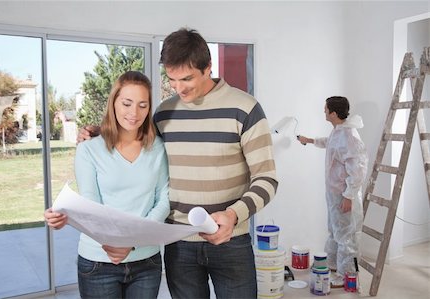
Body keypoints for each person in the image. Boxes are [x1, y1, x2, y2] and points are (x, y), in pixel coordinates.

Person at [78, 28, 278, 299]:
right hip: (179, 244)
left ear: (208, 68)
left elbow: (266, 179)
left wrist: (233, 215)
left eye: (187, 78)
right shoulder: (164, 112)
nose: (179, 88)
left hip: (231, 239)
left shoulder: (246, 108)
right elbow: (134, 134)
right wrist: (97, 133)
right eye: (172, 80)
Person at [45, 71, 170, 299]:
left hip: (147, 261)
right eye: (127, 103)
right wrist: (115, 242)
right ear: (113, 103)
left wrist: (131, 242)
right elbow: (92, 203)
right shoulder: (88, 149)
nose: (134, 113)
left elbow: (164, 198)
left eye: (143, 105)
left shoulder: (158, 148)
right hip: (98, 262)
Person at [297, 96, 367, 288]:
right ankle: (332, 265)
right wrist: (310, 140)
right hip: (335, 193)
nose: (324, 112)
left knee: (346, 236)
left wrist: (349, 196)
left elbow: (358, 170)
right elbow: (330, 143)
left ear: (334, 113)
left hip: (344, 195)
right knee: (335, 231)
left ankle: (347, 276)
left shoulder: (350, 137)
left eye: (326, 110)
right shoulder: (339, 131)